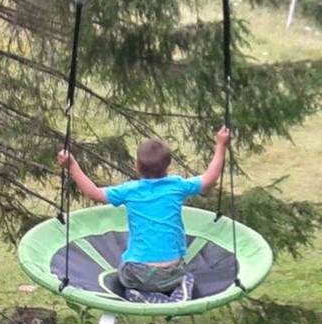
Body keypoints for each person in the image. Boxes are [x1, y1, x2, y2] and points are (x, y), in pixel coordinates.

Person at [57, 127, 231, 303]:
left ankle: (139, 294)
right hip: (173, 272)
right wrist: (221, 145)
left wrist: (72, 165)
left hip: (137, 274)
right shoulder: (177, 186)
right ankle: (182, 287)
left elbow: (93, 192)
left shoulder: (130, 190)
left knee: (123, 273)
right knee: (186, 274)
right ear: (168, 168)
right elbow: (210, 178)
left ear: (136, 166)